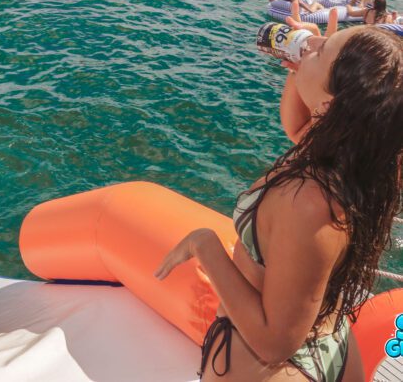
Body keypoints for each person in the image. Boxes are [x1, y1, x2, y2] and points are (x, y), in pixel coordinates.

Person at [156, 22, 403, 382]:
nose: (310, 42)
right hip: (332, 342)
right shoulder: (358, 158)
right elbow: (296, 126)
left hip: (272, 366)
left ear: (331, 106)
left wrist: (204, 244)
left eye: (322, 49)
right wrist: (302, 72)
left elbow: (275, 344)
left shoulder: (308, 202)